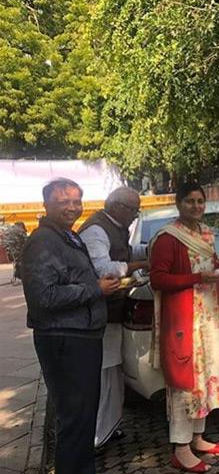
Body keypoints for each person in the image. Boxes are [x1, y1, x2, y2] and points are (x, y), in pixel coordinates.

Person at [21, 178, 119, 474]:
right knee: (74, 417)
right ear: (46, 205)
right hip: (65, 340)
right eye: (63, 201)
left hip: (82, 336)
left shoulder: (67, 237)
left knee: (84, 415)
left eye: (76, 201)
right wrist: (95, 289)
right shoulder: (41, 242)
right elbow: (43, 298)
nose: (72, 207)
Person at [149, 182, 219, 473]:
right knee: (184, 384)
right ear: (179, 203)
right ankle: (181, 449)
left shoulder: (205, 233)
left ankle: (197, 438)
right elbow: (158, 280)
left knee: (206, 379)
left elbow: (208, 266)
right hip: (184, 322)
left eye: (200, 201)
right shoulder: (168, 238)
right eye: (190, 201)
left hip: (207, 319)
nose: (196, 206)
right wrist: (198, 277)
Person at [79, 187, 149, 448]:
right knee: (106, 375)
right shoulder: (96, 230)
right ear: (117, 207)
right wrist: (141, 266)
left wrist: (150, 250)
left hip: (113, 312)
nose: (135, 216)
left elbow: (127, 252)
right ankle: (96, 438)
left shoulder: (114, 226)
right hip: (101, 314)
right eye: (133, 210)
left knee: (113, 373)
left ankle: (109, 427)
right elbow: (104, 269)